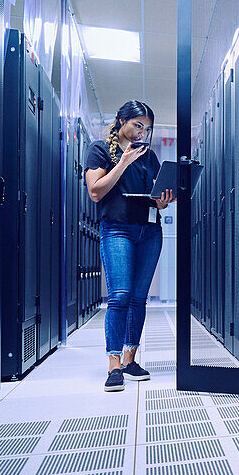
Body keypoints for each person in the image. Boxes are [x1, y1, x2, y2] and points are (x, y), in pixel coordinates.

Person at [84, 100, 176, 392]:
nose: (141, 133)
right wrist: (123, 161)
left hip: (149, 230)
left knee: (139, 298)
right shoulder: (100, 149)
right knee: (120, 296)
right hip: (117, 229)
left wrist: (164, 199)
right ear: (121, 119)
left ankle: (130, 359)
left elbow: (156, 192)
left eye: (146, 129)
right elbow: (95, 192)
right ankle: (113, 366)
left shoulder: (149, 157)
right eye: (138, 125)